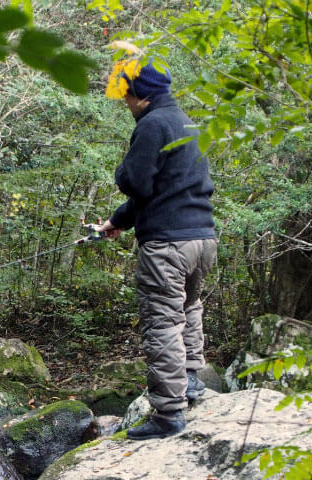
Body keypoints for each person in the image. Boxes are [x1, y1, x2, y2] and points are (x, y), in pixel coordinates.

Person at [97, 62, 217, 440]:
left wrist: (122, 174)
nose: (125, 104)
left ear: (140, 94)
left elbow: (133, 181)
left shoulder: (152, 124)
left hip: (168, 245)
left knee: (163, 324)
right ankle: (192, 382)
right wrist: (118, 221)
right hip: (202, 239)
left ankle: (168, 415)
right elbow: (157, 190)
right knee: (189, 308)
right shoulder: (186, 123)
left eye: (126, 96)